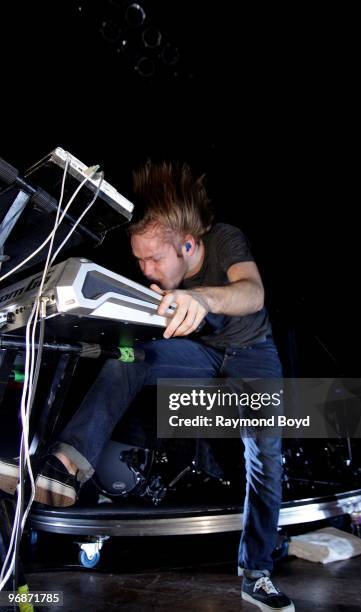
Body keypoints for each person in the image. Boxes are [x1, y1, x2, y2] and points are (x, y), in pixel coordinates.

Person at [0, 161, 294, 612]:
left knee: (265, 462)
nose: (148, 270)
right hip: (205, 355)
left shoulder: (224, 240)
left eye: (155, 259)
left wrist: (201, 297)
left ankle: (256, 572)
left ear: (188, 245)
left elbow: (252, 292)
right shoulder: (160, 274)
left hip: (254, 356)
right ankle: (65, 464)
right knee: (131, 355)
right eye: (139, 260)